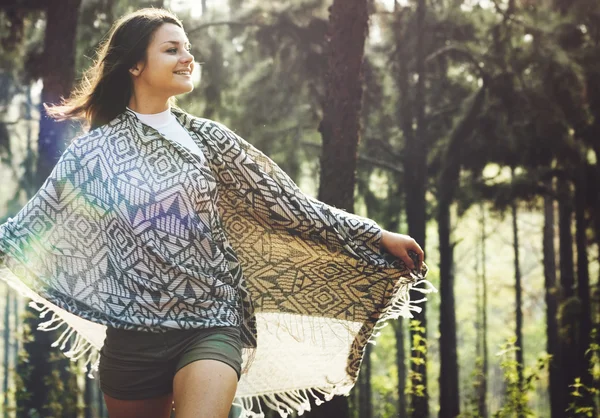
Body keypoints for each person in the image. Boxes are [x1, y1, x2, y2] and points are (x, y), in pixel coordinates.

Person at [0, 8, 427, 418]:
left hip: (212, 322)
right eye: (171, 49)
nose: (188, 58)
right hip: (132, 336)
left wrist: (373, 235)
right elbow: (32, 226)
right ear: (134, 65)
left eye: (188, 48)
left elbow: (288, 206)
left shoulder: (209, 140)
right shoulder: (92, 152)